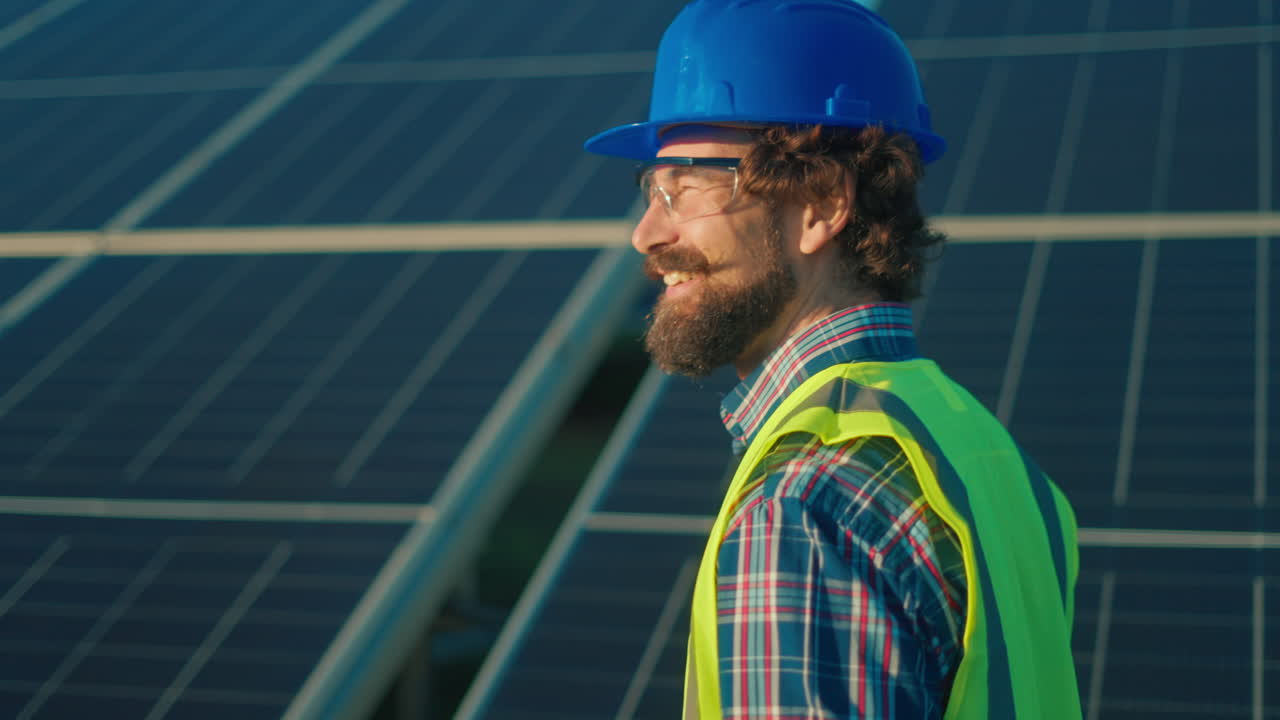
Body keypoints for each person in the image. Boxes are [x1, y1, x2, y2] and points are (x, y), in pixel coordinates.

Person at [583, 1, 1082, 719]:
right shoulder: (984, 453)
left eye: (685, 188)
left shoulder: (805, 508)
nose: (646, 233)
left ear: (820, 204)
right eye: (649, 192)